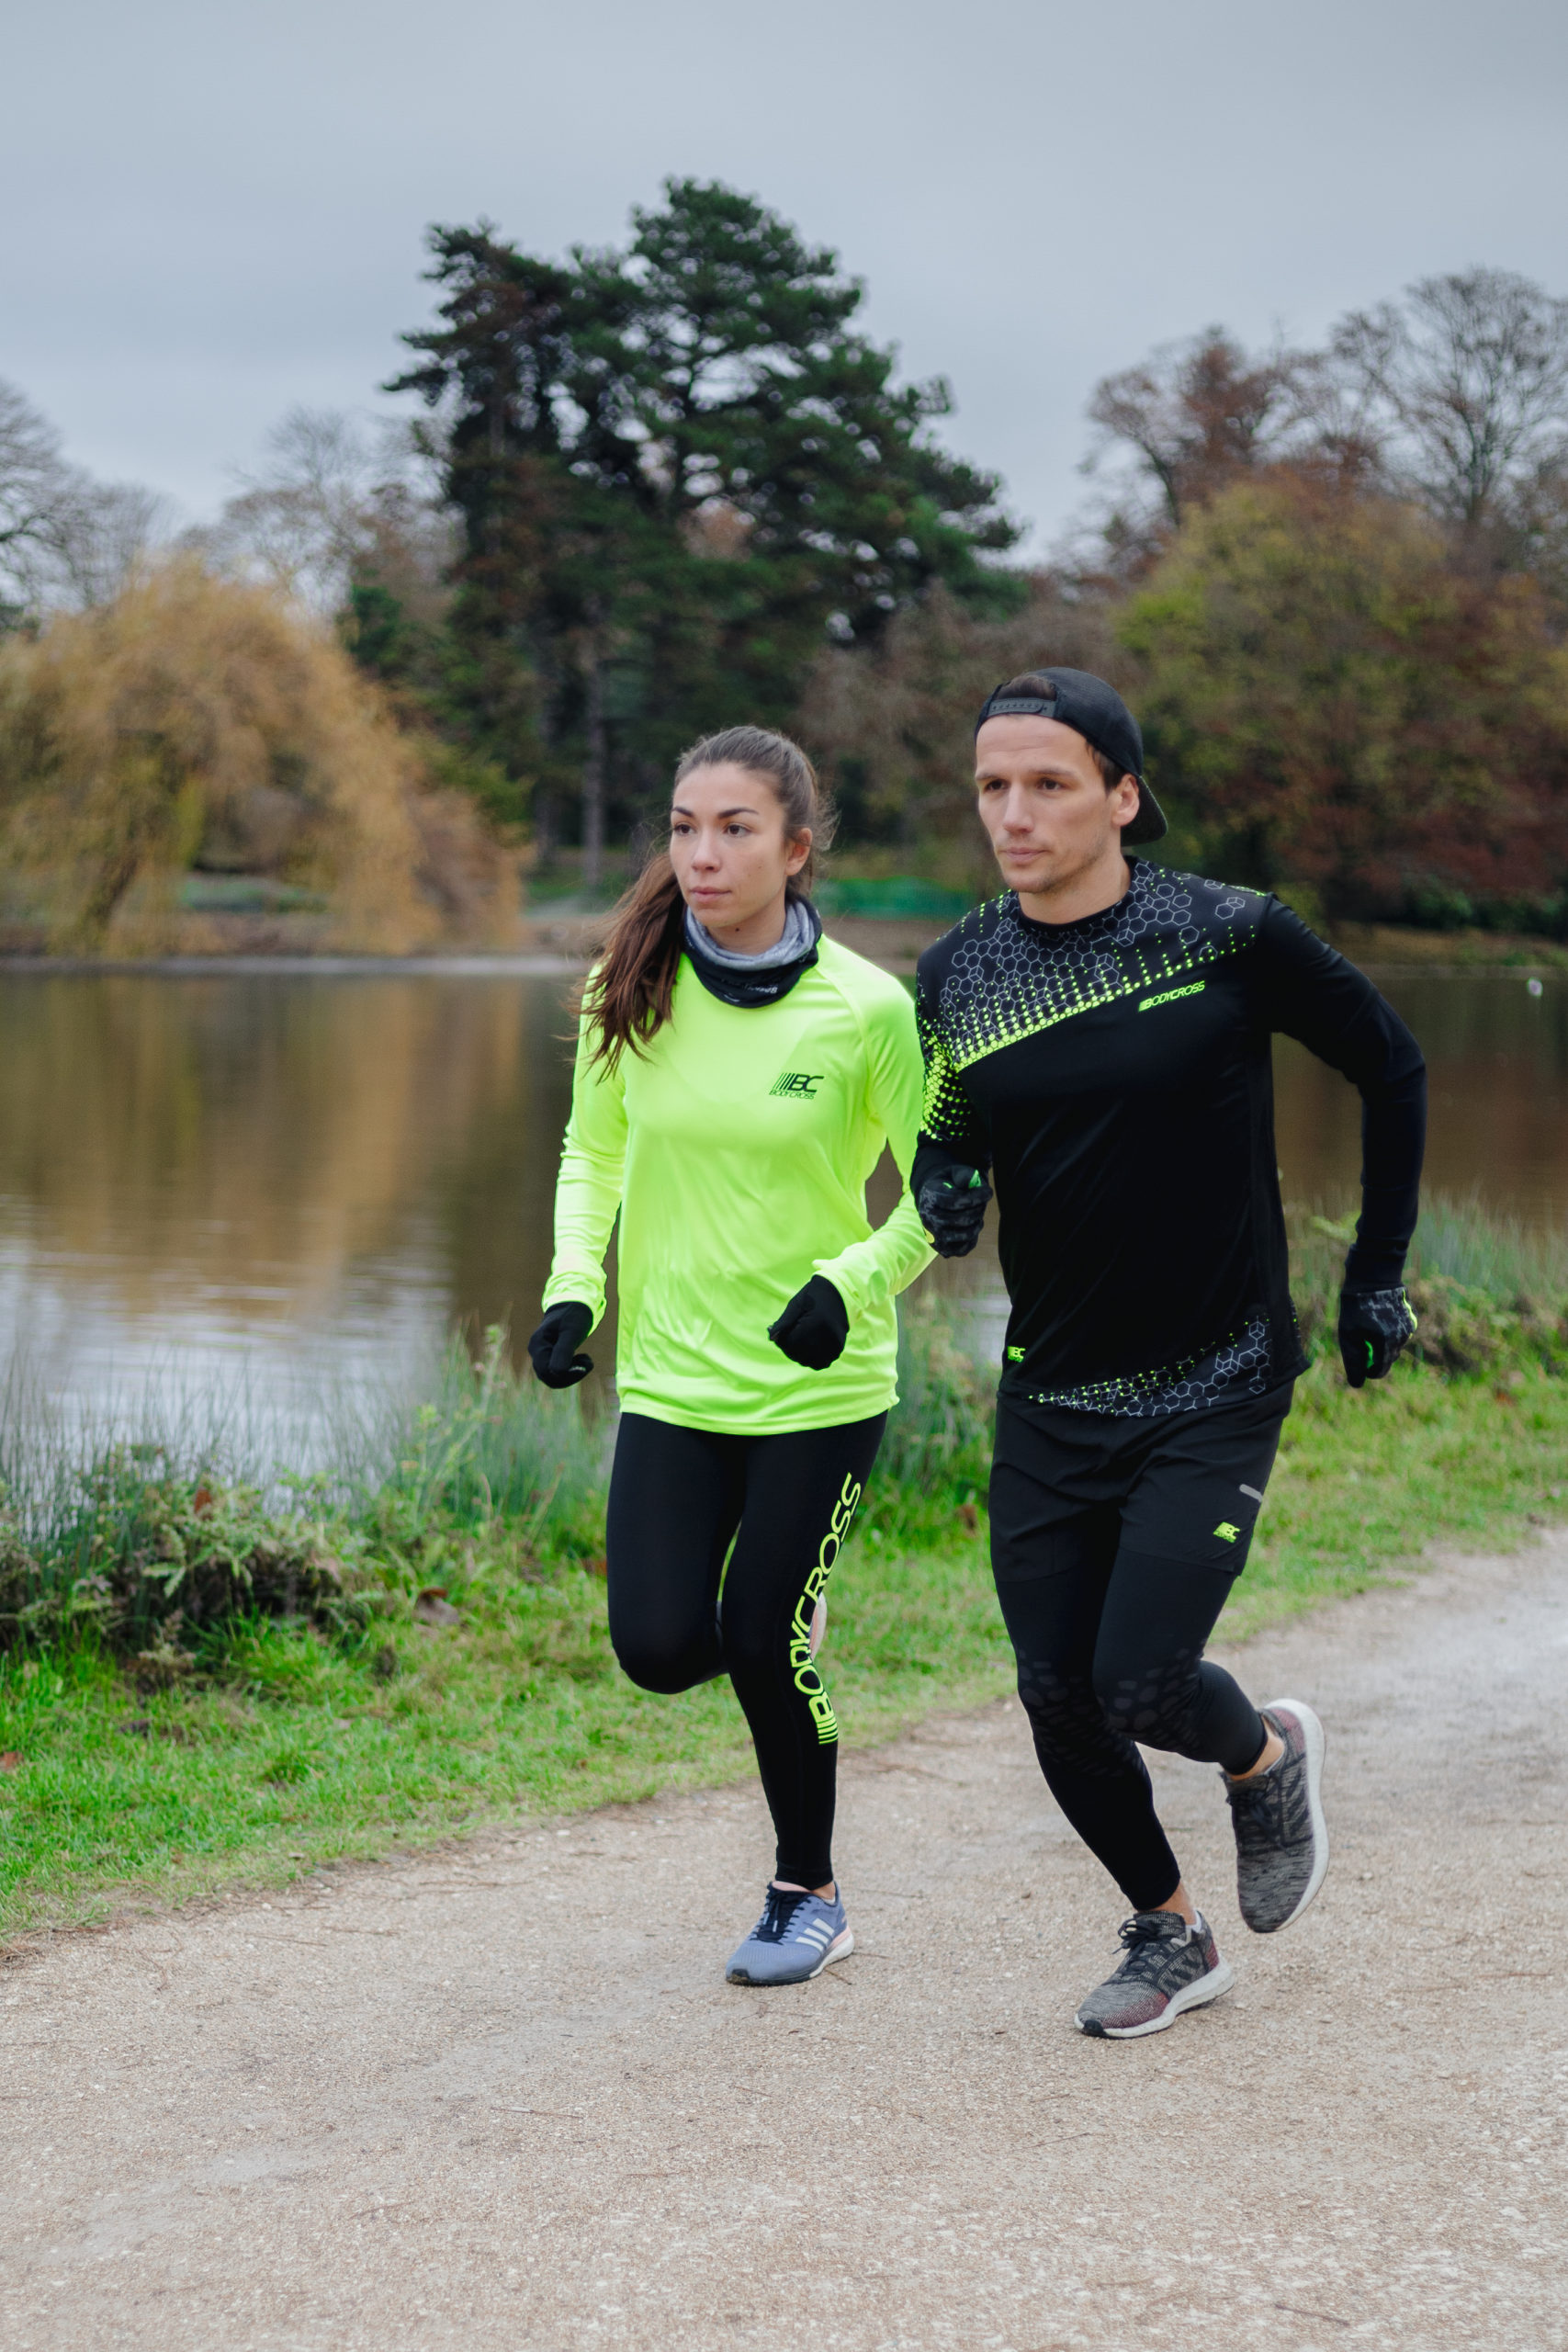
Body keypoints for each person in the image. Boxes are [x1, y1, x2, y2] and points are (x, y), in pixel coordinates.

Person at [912, 669, 1426, 2039]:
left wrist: (1375, 1271)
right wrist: (944, 1184)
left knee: (1139, 1681)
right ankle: (1170, 1931)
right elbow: (950, 1129)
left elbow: (1391, 1065)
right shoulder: (957, 972)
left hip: (1217, 1377)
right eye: (993, 787)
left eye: (1049, 784)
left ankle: (1265, 1755)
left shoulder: (1228, 936)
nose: (1014, 815)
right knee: (1056, 1695)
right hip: (1052, 1389)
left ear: (1124, 797)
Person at [528, 726, 931, 1987]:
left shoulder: (869, 1009)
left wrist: (853, 1281)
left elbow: (945, 1196)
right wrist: (572, 1288)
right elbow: (593, 1152)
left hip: (822, 1386)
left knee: (761, 1638)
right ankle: (780, 1623)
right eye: (684, 827)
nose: (701, 853)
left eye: (735, 829)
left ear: (796, 848)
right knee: (656, 1650)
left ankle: (809, 1894)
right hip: (672, 1381)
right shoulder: (628, 985)